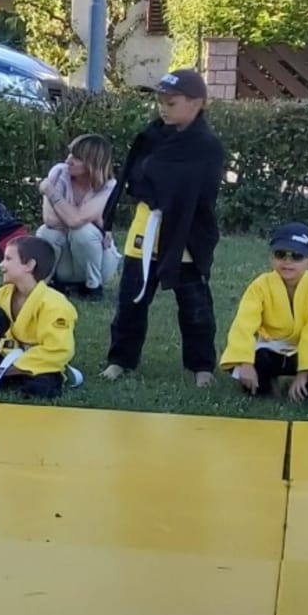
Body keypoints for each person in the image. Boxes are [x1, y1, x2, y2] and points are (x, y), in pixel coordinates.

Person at [102, 69, 225, 386]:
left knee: (195, 307)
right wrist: (156, 193)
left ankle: (201, 367)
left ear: (196, 103)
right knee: (131, 300)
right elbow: (136, 178)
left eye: (171, 103)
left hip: (186, 234)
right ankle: (120, 360)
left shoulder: (207, 146)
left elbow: (202, 193)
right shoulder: (152, 136)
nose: (163, 109)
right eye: (160, 102)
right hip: (146, 228)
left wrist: (169, 195)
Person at [222, 222, 308, 402]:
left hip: (303, 349)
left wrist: (305, 372)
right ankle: (268, 383)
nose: (287, 262)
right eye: (280, 255)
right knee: (249, 372)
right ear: (272, 258)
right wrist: (246, 363)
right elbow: (243, 324)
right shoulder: (260, 285)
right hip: (270, 348)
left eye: (297, 256)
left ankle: (300, 387)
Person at [0, 236, 80, 399]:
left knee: (41, 388)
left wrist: (3, 371)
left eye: (8, 259)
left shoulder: (55, 304)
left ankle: (3, 376)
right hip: (4, 358)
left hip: (35, 365)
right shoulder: (4, 293)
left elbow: (58, 350)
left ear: (29, 265)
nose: (1, 265)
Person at [37, 134, 121, 297]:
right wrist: (82, 219)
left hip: (99, 262)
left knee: (83, 232)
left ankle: (93, 287)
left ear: (93, 163)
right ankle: (53, 281)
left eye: (77, 158)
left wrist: (50, 191)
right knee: (46, 232)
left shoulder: (109, 187)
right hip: (67, 259)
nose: (68, 160)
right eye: (70, 154)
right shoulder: (59, 172)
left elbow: (75, 221)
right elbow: (49, 219)